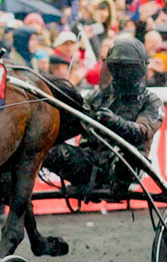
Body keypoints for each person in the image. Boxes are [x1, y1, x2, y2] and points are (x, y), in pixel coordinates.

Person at [45, 36, 162, 187]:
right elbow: (74, 125)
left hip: (125, 166)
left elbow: (142, 132)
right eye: (118, 67)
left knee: (127, 159)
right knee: (47, 150)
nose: (122, 72)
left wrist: (115, 122)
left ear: (138, 69)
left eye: (127, 68)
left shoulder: (151, 101)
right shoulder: (96, 96)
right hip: (89, 162)